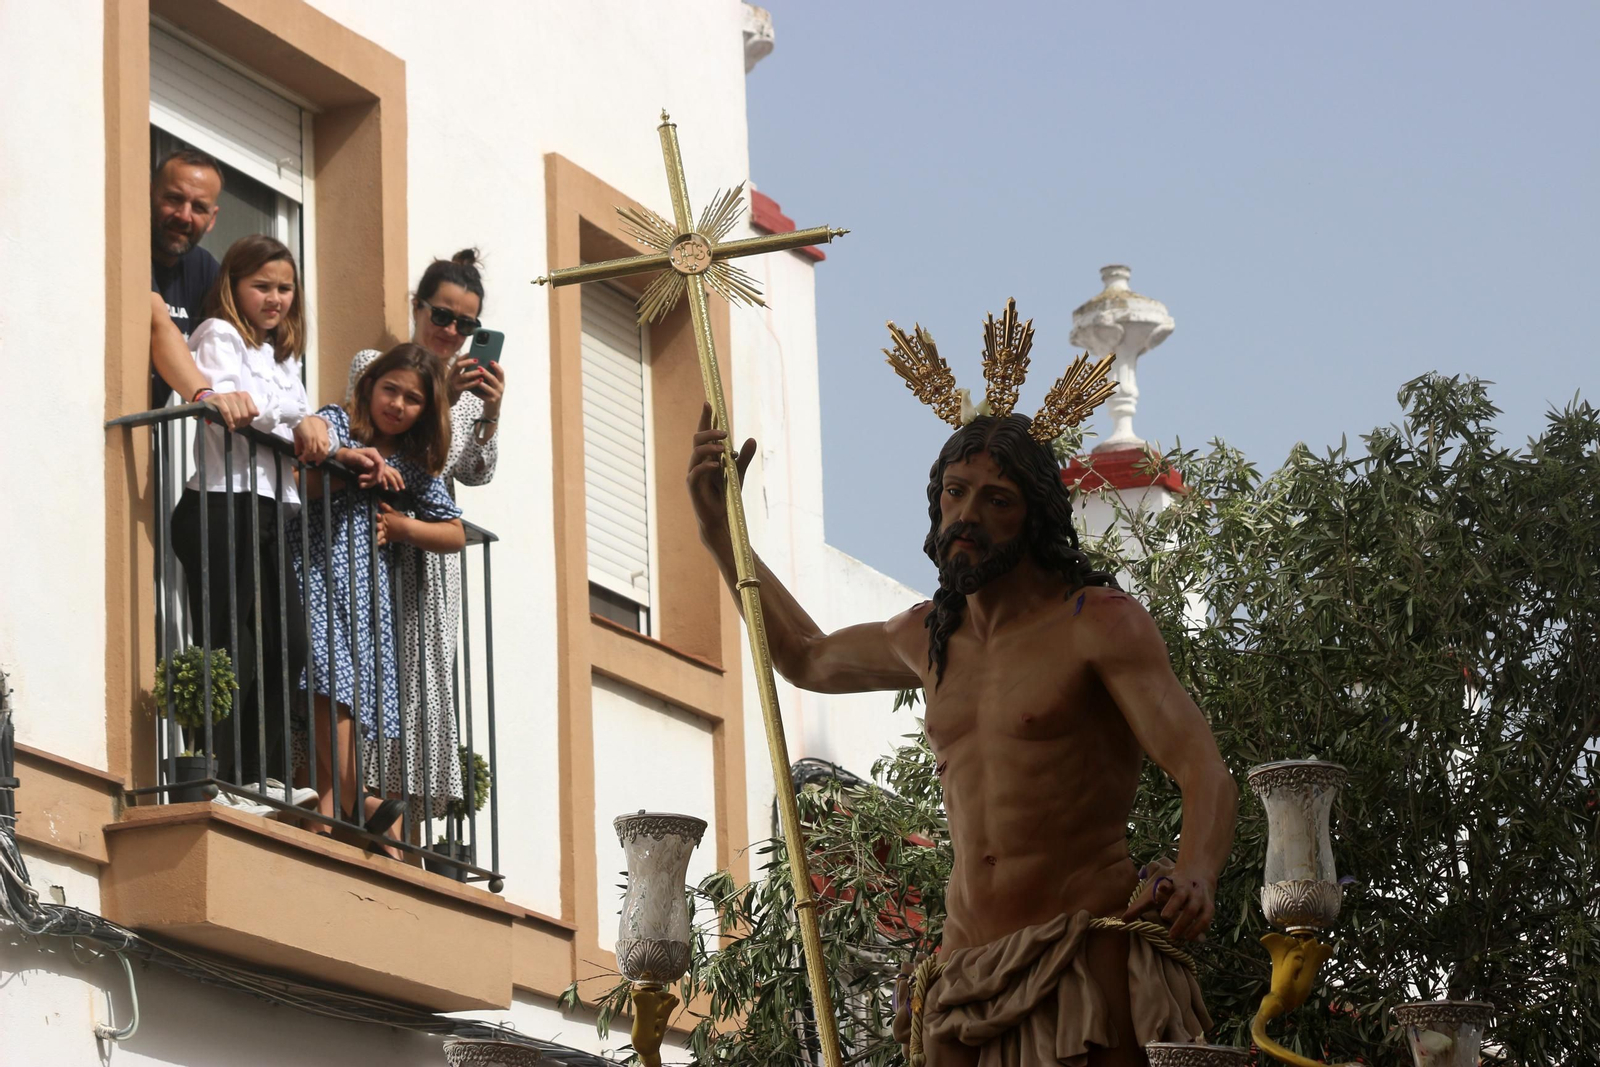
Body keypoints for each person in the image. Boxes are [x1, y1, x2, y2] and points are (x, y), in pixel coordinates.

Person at [688, 402, 1239, 1065]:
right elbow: (804, 653)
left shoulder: (1098, 625)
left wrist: (1197, 873)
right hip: (962, 971)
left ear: (1033, 516)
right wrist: (722, 530)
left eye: (996, 499)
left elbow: (1202, 769)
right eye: (955, 492)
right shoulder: (928, 636)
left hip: (1077, 959)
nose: (967, 514)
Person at [345, 250, 505, 823]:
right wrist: (448, 397)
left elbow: (475, 472)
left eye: (467, 325)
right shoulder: (379, 362)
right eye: (443, 316)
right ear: (417, 309)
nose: (452, 333)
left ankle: (396, 810)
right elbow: (385, 437)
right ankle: (351, 791)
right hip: (376, 539)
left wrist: (488, 411)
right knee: (363, 663)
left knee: (420, 677)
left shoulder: (466, 390)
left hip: (428, 555)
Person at [292, 343, 466, 860]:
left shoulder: (413, 466)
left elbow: (454, 532)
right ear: (369, 385)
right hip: (318, 573)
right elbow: (310, 449)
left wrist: (401, 526)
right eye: (389, 388)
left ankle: (330, 812)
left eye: (412, 398)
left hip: (369, 594)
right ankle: (362, 801)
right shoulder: (340, 422)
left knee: (346, 692)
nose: (396, 404)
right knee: (327, 680)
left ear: (424, 410)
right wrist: (345, 458)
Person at [170, 235, 317, 814]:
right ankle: (221, 772)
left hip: (268, 510)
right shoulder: (219, 335)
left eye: (284, 288)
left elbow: (300, 415)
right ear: (233, 285)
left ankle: (260, 774)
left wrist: (307, 424)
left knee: (289, 644)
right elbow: (241, 404)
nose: (275, 298)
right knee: (233, 643)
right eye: (262, 286)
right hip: (219, 502)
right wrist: (299, 420)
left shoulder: (284, 355)